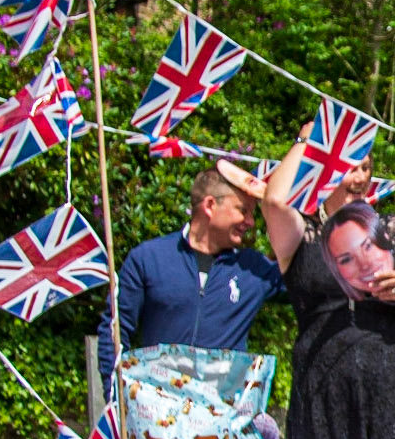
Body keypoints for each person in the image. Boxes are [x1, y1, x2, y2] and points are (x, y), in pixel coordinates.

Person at [263, 128, 395, 439]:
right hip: (325, 382)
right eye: (350, 167)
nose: (360, 177)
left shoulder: (394, 227)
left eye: (365, 167)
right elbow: (274, 200)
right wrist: (305, 140)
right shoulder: (300, 231)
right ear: (324, 171)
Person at [97, 160, 283, 389]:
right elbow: (113, 331)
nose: (251, 222)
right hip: (157, 416)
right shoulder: (148, 258)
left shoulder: (254, 269)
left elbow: (312, 275)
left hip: (223, 419)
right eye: (243, 210)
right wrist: (116, 399)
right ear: (210, 205)